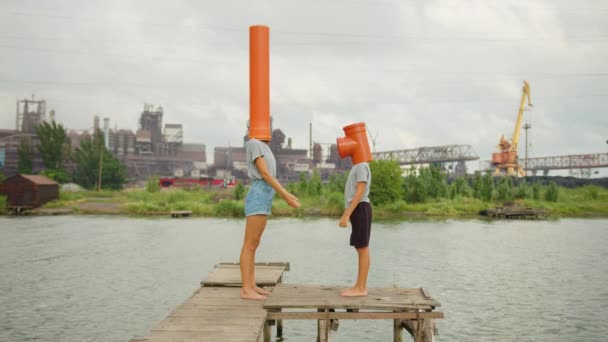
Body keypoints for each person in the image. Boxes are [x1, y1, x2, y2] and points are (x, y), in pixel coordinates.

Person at [240, 137, 300, 300]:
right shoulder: (254, 143)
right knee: (249, 245)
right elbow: (265, 173)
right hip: (258, 196)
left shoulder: (264, 146)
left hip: (264, 198)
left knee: (254, 244)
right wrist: (286, 195)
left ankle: (251, 285)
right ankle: (246, 289)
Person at [339, 160, 372, 297]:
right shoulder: (358, 165)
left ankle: (361, 288)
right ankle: (358, 285)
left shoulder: (361, 165)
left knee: (362, 248)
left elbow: (360, 190)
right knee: (360, 247)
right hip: (358, 209)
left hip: (360, 208)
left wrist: (347, 214)